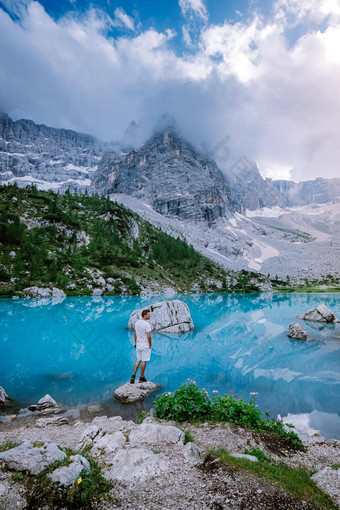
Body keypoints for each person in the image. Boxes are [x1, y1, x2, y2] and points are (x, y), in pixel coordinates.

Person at [130, 309, 152, 384]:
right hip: (145, 345)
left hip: (138, 345)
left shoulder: (137, 323)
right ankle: (141, 377)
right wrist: (150, 345)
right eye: (148, 314)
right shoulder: (147, 324)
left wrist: (136, 343)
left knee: (138, 359)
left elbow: (135, 334)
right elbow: (149, 336)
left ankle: (133, 376)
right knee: (144, 361)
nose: (150, 315)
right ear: (145, 315)